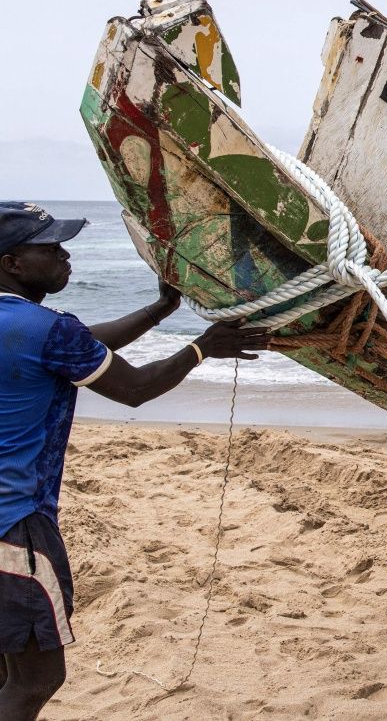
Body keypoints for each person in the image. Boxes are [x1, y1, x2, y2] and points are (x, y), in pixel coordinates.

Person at [0, 202, 268, 720]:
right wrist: (202, 349)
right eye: (50, 247)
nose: (65, 255)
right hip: (15, 523)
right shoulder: (44, 330)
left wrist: (159, 309)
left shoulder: (28, 328)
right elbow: (136, 389)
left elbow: (83, 346)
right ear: (12, 262)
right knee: (35, 680)